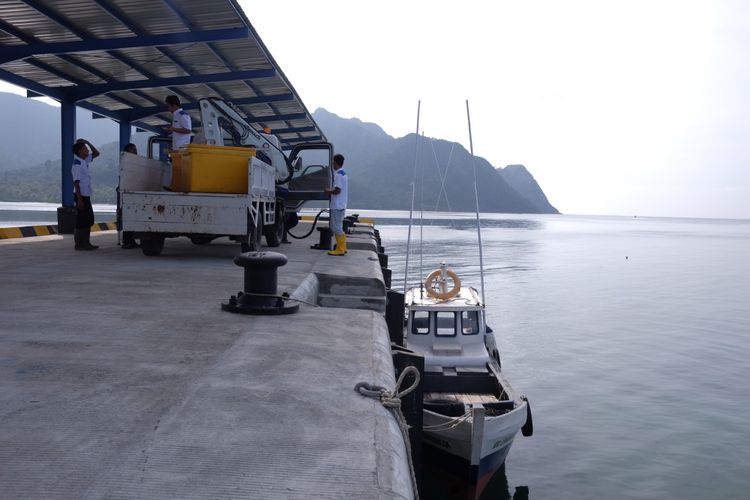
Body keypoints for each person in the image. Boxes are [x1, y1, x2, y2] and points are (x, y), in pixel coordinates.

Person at [71, 138, 100, 251]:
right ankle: (79, 244)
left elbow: (97, 153)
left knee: (88, 220)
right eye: (84, 148)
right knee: (81, 221)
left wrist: (88, 142)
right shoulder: (77, 164)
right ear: (79, 151)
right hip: (81, 196)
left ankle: (86, 242)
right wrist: (79, 200)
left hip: (85, 195)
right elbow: (76, 183)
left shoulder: (84, 161)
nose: (87, 150)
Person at [324, 154, 348, 256]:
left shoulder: (338, 175)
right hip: (341, 205)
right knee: (339, 227)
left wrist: (328, 191)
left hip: (337, 205)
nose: (332, 164)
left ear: (336, 162)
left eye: (333, 162)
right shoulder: (344, 174)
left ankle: (340, 249)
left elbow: (337, 190)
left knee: (335, 228)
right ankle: (343, 247)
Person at [120, 143, 140, 249]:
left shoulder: (136, 162)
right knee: (128, 217)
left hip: (134, 192)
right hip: (127, 192)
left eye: (135, 148)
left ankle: (131, 240)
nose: (135, 150)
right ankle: (126, 241)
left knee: (133, 217)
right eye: (133, 149)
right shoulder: (126, 162)